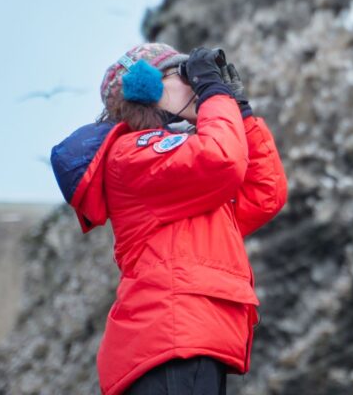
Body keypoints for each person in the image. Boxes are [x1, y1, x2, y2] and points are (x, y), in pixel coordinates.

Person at [50, 43, 288, 395]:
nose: (195, 85)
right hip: (169, 338)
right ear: (146, 89)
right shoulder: (131, 153)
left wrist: (240, 113)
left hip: (190, 335)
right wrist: (214, 95)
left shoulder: (185, 169)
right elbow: (222, 161)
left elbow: (264, 194)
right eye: (183, 75)